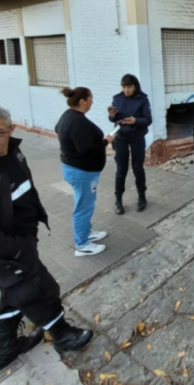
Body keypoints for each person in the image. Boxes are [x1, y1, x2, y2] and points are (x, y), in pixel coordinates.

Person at [0, 107, 93, 371]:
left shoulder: (13, 152)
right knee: (38, 290)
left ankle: (5, 349)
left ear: (11, 130)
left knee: (13, 294)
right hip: (3, 250)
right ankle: (62, 334)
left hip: (24, 238)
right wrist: (13, 250)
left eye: (0, 132)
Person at [55, 87, 115, 257]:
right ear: (83, 101)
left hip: (76, 169)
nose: (92, 102)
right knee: (84, 207)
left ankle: (87, 233)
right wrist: (106, 141)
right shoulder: (77, 121)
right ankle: (82, 245)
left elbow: (57, 129)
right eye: (91, 98)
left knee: (85, 203)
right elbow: (86, 148)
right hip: (81, 171)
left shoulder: (68, 115)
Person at [109, 74, 152, 215]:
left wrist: (135, 121)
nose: (126, 90)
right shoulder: (117, 98)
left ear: (135, 86)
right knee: (121, 169)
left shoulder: (143, 99)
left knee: (138, 167)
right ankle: (118, 200)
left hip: (137, 137)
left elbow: (148, 119)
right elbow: (113, 119)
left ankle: (142, 197)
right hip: (121, 137)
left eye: (129, 87)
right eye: (123, 87)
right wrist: (111, 115)